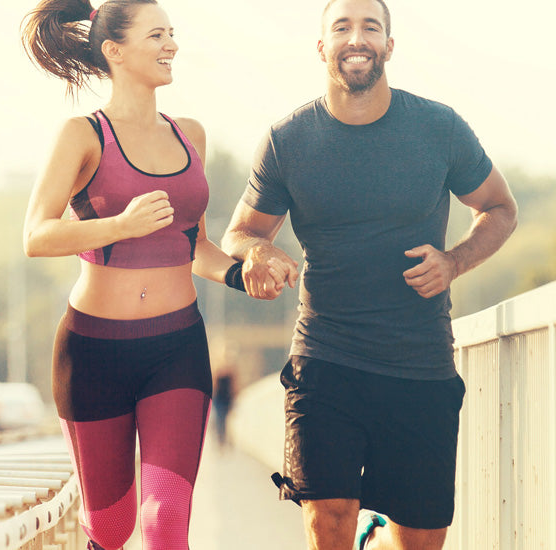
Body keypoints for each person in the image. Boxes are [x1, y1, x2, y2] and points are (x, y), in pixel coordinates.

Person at [220, 0, 518, 549]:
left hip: (420, 362)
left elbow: (501, 208)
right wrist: (258, 253)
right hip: (326, 356)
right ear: (322, 46)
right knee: (328, 514)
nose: (356, 38)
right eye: (341, 27)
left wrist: (454, 262)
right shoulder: (289, 138)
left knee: (421, 537)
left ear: (389, 45)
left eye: (370, 27)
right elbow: (237, 233)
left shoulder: (439, 127)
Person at [21, 1, 255, 548]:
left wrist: (245, 275)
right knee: (111, 525)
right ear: (115, 51)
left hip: (176, 347)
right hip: (93, 351)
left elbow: (196, 247)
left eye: (172, 33)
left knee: (166, 516)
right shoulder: (81, 134)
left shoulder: (189, 134)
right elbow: (35, 235)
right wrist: (118, 227)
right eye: (157, 35)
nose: (171, 45)